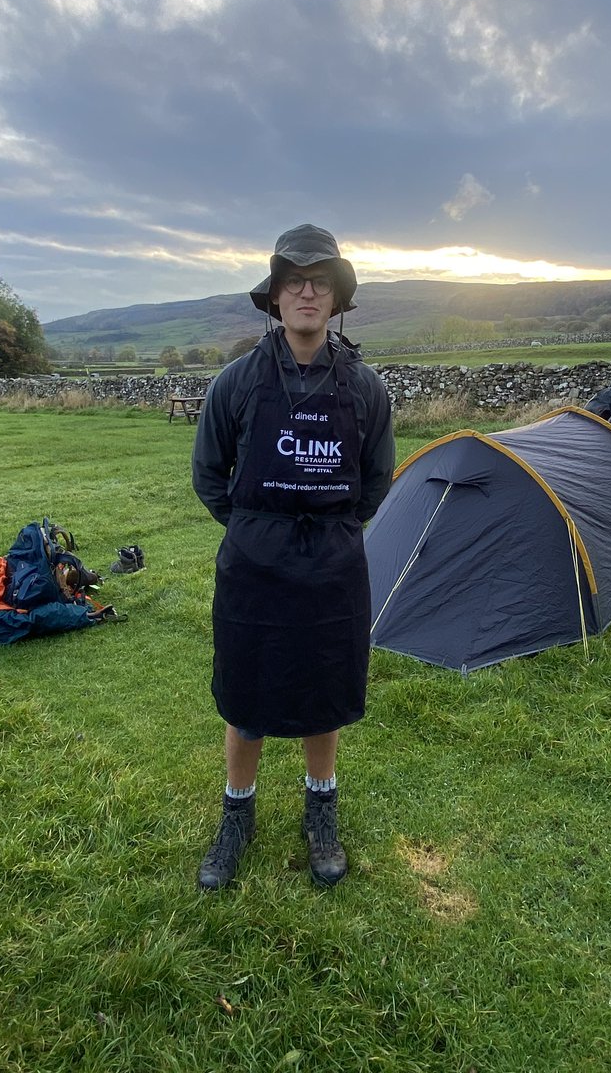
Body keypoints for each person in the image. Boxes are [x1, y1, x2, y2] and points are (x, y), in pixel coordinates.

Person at [191, 223, 395, 891]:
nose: (308, 293)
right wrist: (258, 530)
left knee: (324, 695)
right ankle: (237, 818)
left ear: (335, 301)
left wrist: (323, 533)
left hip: (333, 572)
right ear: (275, 297)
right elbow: (209, 476)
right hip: (253, 569)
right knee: (245, 697)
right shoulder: (236, 383)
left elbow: (374, 483)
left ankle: (321, 812)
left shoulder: (366, 389)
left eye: (321, 283)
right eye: (295, 282)